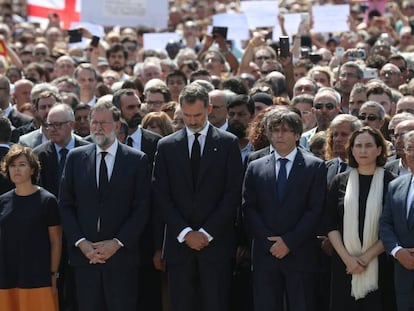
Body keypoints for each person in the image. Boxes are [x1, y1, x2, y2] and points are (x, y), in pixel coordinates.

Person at [153, 82, 243, 311]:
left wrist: (205, 233)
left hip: (215, 246)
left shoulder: (227, 143)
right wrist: (185, 233)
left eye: (198, 115)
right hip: (179, 247)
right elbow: (161, 195)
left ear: (209, 109)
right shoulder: (166, 146)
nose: (192, 121)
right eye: (187, 116)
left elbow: (233, 193)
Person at [59, 101, 150, 311]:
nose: (98, 128)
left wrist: (117, 243)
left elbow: (142, 208)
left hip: (121, 259)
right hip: (85, 259)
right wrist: (82, 243)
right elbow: (65, 204)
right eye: (94, 122)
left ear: (117, 126)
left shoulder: (136, 160)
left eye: (104, 123)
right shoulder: (76, 157)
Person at [243, 108, 327, 311]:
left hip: (300, 253)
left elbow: (315, 210)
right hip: (266, 254)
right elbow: (249, 207)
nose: (279, 135)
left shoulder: (314, 166)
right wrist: (267, 241)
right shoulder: (256, 166)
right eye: (275, 130)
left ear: (297, 135)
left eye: (285, 130)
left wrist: (289, 241)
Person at [327, 126, 396, 311]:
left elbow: (393, 226)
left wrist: (366, 258)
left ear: (380, 149)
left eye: (368, 145)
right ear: (352, 149)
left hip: (379, 265)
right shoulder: (339, 181)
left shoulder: (392, 182)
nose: (363, 150)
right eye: (358, 146)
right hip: (344, 265)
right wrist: (349, 260)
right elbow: (330, 224)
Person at [0, 145, 62, 311]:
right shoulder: (2, 201)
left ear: (32, 169)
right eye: (12, 165)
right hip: (7, 276)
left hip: (38, 276)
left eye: (22, 164)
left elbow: (56, 241)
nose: (16, 170)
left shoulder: (48, 201)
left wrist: (53, 274)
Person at [380, 129, 414, 311]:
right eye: (410, 148)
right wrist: (396, 250)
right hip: (402, 273)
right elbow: (386, 223)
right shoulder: (396, 185)